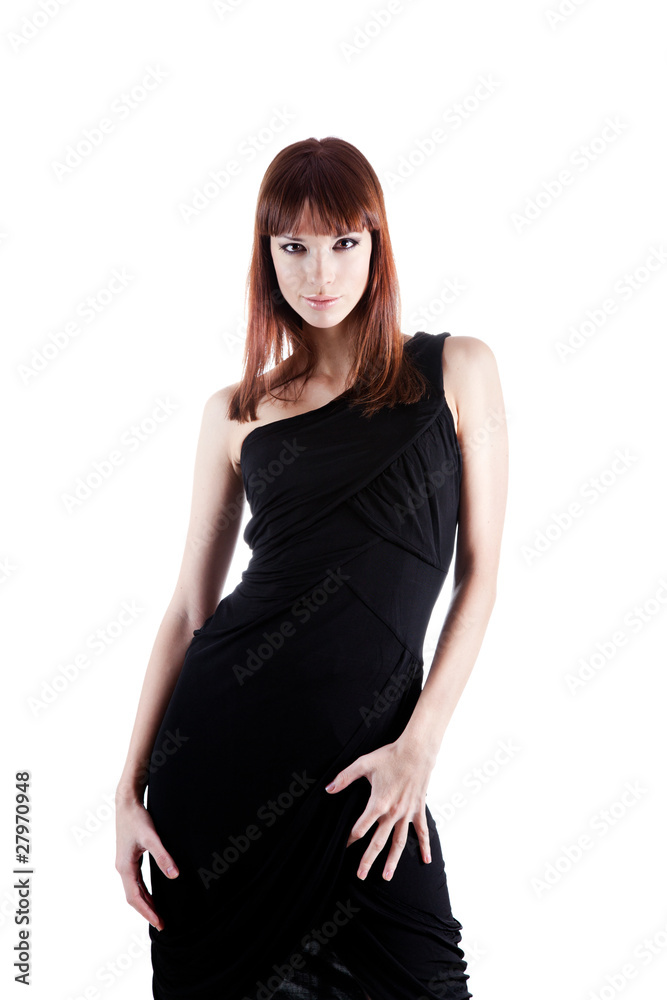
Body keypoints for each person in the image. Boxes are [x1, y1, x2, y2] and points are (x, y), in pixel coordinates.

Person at [115, 135, 508, 1000]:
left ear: (376, 244)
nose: (319, 273)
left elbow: (479, 575)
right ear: (265, 254)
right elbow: (188, 610)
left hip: (371, 773)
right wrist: (126, 788)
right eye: (292, 246)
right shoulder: (236, 412)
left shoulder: (456, 370)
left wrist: (419, 748)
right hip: (216, 768)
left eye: (343, 242)